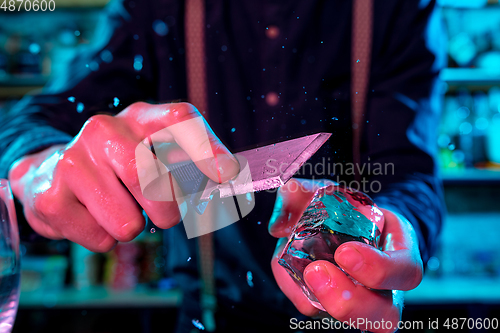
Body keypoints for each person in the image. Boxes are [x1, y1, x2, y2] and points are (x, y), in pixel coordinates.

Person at [0, 0, 446, 332]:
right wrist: (40, 166)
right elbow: (36, 119)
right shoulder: (155, 8)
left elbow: (408, 171)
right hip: (207, 317)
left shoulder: (398, 9)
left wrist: (395, 224)